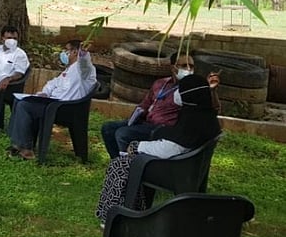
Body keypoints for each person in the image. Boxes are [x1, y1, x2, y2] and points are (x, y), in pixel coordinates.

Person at [95, 74, 221, 224]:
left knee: (120, 165)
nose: (176, 94)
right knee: (117, 137)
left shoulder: (192, 121)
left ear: (188, 95)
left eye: (180, 90)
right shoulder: (204, 114)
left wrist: (138, 146)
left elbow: (170, 149)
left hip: (171, 168)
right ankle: (138, 207)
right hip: (187, 164)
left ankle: (112, 215)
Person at [101, 52, 221, 158]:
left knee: (123, 134)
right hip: (146, 121)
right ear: (173, 68)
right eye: (184, 65)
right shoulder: (160, 83)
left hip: (163, 127)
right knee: (108, 128)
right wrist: (138, 114)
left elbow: (212, 108)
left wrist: (211, 90)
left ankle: (127, 167)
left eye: (191, 66)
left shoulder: (191, 90)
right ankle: (117, 162)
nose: (189, 69)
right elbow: (145, 103)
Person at [7, 39, 97, 160]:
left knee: (25, 106)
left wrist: (84, 54)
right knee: (19, 102)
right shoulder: (68, 70)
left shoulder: (84, 71)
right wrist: (44, 93)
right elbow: (52, 83)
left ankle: (26, 149)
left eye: (67, 50)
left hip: (66, 109)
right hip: (53, 104)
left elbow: (85, 65)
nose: (64, 53)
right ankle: (18, 143)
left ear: (75, 52)